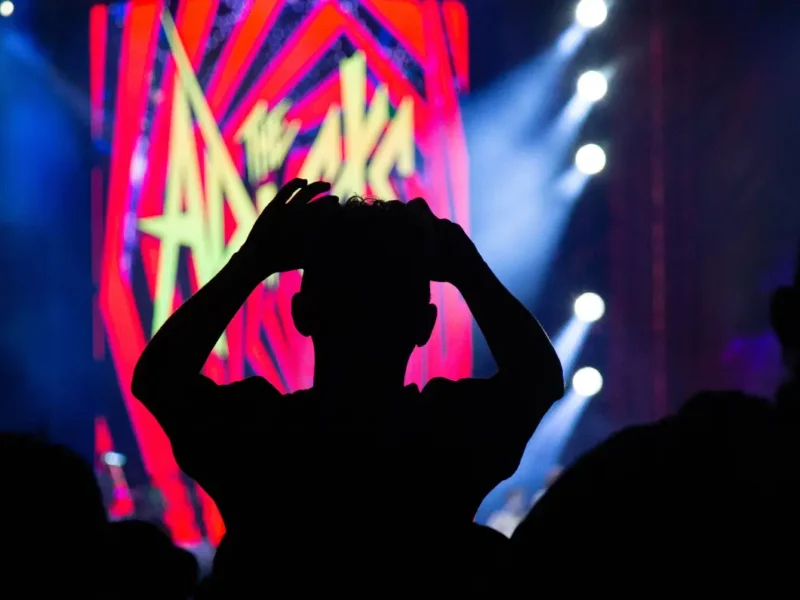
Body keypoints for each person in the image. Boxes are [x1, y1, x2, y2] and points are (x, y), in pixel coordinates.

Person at [131, 179, 563, 592]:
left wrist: (252, 263)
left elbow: (160, 377)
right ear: (424, 324)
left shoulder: (259, 434)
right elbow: (537, 377)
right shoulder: (450, 434)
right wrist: (467, 269)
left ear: (302, 313)